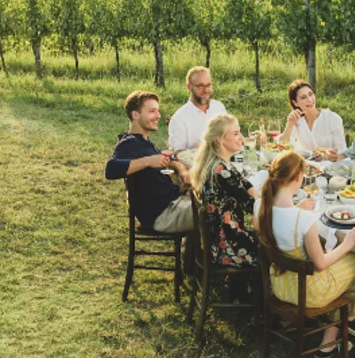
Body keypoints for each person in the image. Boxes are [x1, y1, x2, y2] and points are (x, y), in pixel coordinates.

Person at [257, 151, 355, 358]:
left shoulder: (263, 207)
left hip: (279, 287)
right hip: (308, 293)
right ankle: (338, 331)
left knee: (335, 258)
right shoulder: (304, 219)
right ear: (298, 177)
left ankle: (346, 322)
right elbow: (321, 264)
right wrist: (348, 244)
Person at [105, 91, 193, 234]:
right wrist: (148, 161)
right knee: (216, 211)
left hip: (175, 205)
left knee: (216, 198)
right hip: (165, 215)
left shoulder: (145, 143)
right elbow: (111, 169)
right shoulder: (129, 143)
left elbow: (168, 160)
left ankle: (194, 253)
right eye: (152, 111)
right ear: (135, 115)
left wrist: (181, 170)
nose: (158, 116)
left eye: (158, 111)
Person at [190, 114, 259, 270]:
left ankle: (249, 287)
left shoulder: (219, 163)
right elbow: (252, 207)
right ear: (220, 140)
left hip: (221, 238)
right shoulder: (222, 172)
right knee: (276, 249)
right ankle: (260, 291)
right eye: (235, 133)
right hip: (227, 247)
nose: (241, 137)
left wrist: (256, 197)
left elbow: (246, 184)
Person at [277, 79, 347, 155]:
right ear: (295, 103)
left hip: (331, 166)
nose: (310, 100)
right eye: (303, 97)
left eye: (310, 94)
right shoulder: (297, 122)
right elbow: (282, 147)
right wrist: (289, 125)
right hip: (306, 166)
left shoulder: (332, 118)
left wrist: (325, 155)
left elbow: (342, 153)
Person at [168, 66, 227, 152]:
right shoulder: (179, 118)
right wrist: (197, 151)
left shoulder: (218, 107)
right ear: (189, 87)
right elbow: (177, 153)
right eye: (200, 86)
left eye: (208, 85)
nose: (206, 90)